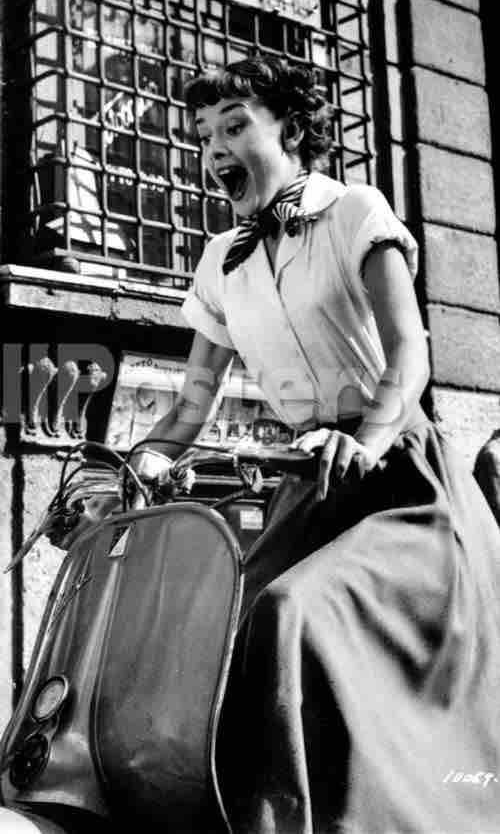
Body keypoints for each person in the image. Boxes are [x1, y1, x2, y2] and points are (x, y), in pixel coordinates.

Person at [132, 55, 500, 834]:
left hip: (402, 482)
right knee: (208, 627)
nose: (215, 149)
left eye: (236, 126)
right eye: (204, 135)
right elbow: (192, 403)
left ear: (292, 131)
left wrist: (366, 437)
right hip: (312, 486)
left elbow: (410, 353)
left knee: (288, 609)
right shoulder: (221, 261)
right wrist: (141, 462)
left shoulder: (353, 211)